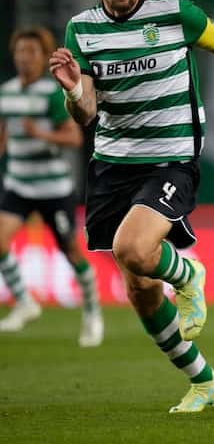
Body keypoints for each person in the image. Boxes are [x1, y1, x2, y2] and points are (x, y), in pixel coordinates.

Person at [48, 0, 214, 413]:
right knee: (140, 288)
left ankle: (188, 273)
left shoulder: (176, 14)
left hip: (171, 159)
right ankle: (203, 381)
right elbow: (87, 113)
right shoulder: (81, 30)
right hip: (112, 165)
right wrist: (71, 90)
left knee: (135, 248)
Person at [0, 27, 103, 347]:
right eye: (20, 52)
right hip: (18, 183)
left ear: (43, 57)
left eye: (31, 52)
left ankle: (91, 311)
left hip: (53, 188)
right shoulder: (7, 92)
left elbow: (74, 137)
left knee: (71, 251)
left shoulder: (50, 94)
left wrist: (39, 134)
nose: (24, 59)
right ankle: (25, 302)